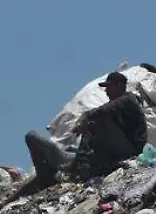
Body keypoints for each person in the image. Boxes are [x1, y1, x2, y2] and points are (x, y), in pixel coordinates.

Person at [18, 72, 148, 198]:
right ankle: (54, 174)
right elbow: (95, 112)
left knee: (98, 120)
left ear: (120, 85)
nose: (106, 91)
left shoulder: (129, 100)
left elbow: (102, 111)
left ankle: (81, 169)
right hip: (111, 152)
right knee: (32, 137)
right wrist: (84, 120)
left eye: (109, 87)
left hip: (130, 150)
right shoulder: (112, 106)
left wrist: (87, 120)